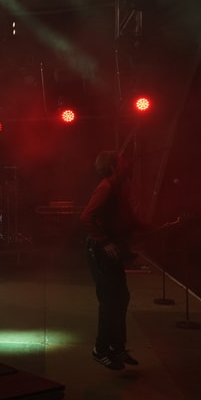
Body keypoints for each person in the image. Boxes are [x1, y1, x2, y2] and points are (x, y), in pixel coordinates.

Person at [81, 149, 147, 371]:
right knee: (110, 301)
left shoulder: (117, 189)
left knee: (121, 298)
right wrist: (104, 240)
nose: (126, 164)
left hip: (111, 250)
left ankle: (117, 347)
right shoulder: (106, 188)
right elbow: (87, 217)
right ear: (112, 168)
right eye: (121, 162)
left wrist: (144, 228)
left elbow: (126, 219)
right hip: (101, 251)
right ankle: (100, 350)